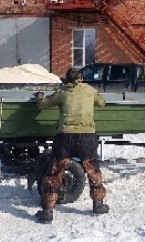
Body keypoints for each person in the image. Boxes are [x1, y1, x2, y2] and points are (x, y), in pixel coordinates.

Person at [34, 67, 109, 224]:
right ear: (81, 79)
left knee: (56, 171)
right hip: (87, 135)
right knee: (92, 170)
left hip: (65, 136)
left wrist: (39, 96)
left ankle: (47, 212)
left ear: (67, 80)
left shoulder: (62, 92)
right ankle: (98, 205)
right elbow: (102, 103)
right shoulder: (90, 90)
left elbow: (42, 105)